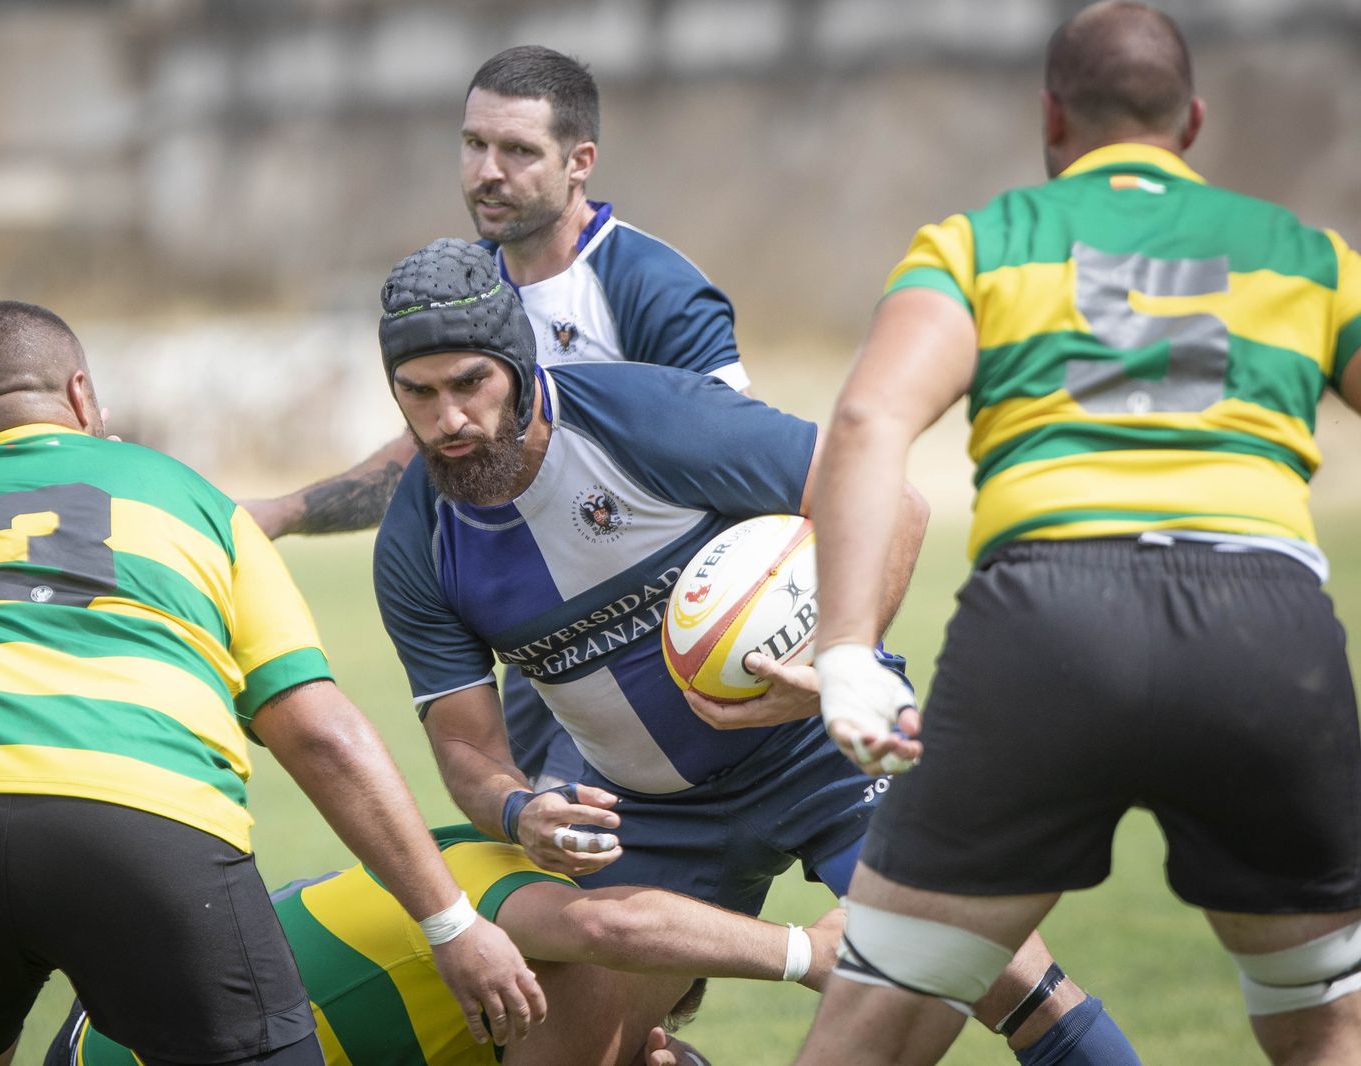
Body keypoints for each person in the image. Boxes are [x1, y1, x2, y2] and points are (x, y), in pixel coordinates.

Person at [370, 237, 1140, 1063]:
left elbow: (892, 503)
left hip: (820, 748)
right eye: (418, 393)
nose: (448, 419)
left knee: (1000, 974)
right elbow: (464, 746)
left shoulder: (645, 416)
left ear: (517, 367)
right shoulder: (417, 544)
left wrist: (841, 669)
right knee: (559, 1053)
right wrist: (519, 810)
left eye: (470, 384)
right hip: (646, 814)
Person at [800, 3, 1361, 1063]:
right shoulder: (1311, 257)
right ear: (1191, 120)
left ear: (1049, 118)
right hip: (1264, 633)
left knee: (868, 1036)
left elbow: (871, 419)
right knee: (1325, 1028)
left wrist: (842, 653)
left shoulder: (976, 244)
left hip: (1044, 627)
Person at [0, 301, 541, 1066]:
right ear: (82, 395)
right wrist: (450, 923)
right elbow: (316, 729)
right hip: (135, 814)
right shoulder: (195, 500)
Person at [245, 44, 755, 788]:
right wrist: (282, 511)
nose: (487, 171)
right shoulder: (467, 288)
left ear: (580, 160)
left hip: (659, 629)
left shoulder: (649, 286)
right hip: (541, 631)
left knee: (628, 861)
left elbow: (740, 459)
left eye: (517, 150)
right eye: (473, 144)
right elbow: (439, 453)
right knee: (537, 839)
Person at [44, 822, 846, 1066]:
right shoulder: (513, 901)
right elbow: (615, 929)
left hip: (100, 1024)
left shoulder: (463, 882)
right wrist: (809, 953)